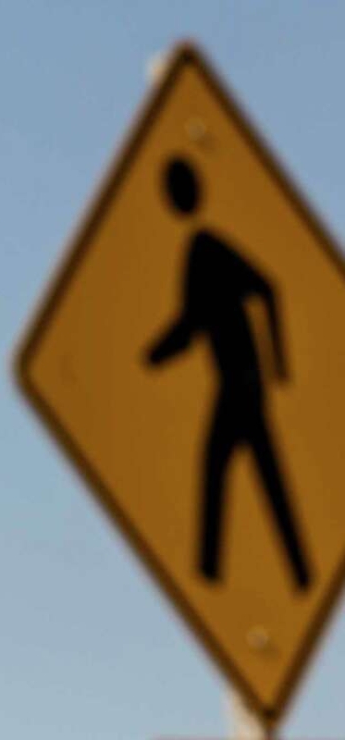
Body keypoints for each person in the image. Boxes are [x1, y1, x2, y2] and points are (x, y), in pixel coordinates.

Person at [146, 158, 311, 590]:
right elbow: (193, 324)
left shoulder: (207, 248)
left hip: (242, 383)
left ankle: (212, 572)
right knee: (253, 475)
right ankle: (288, 571)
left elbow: (268, 289)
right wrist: (157, 353)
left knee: (225, 470)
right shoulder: (198, 250)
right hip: (237, 384)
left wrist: (280, 366)